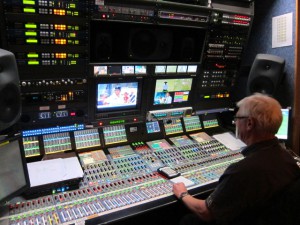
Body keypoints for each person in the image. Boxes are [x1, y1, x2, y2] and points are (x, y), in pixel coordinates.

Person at [173, 93, 300, 225]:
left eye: (237, 118)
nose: (235, 122)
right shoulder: (287, 158)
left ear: (249, 123)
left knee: (188, 221)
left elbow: (206, 212)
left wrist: (183, 194)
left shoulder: (243, 171)